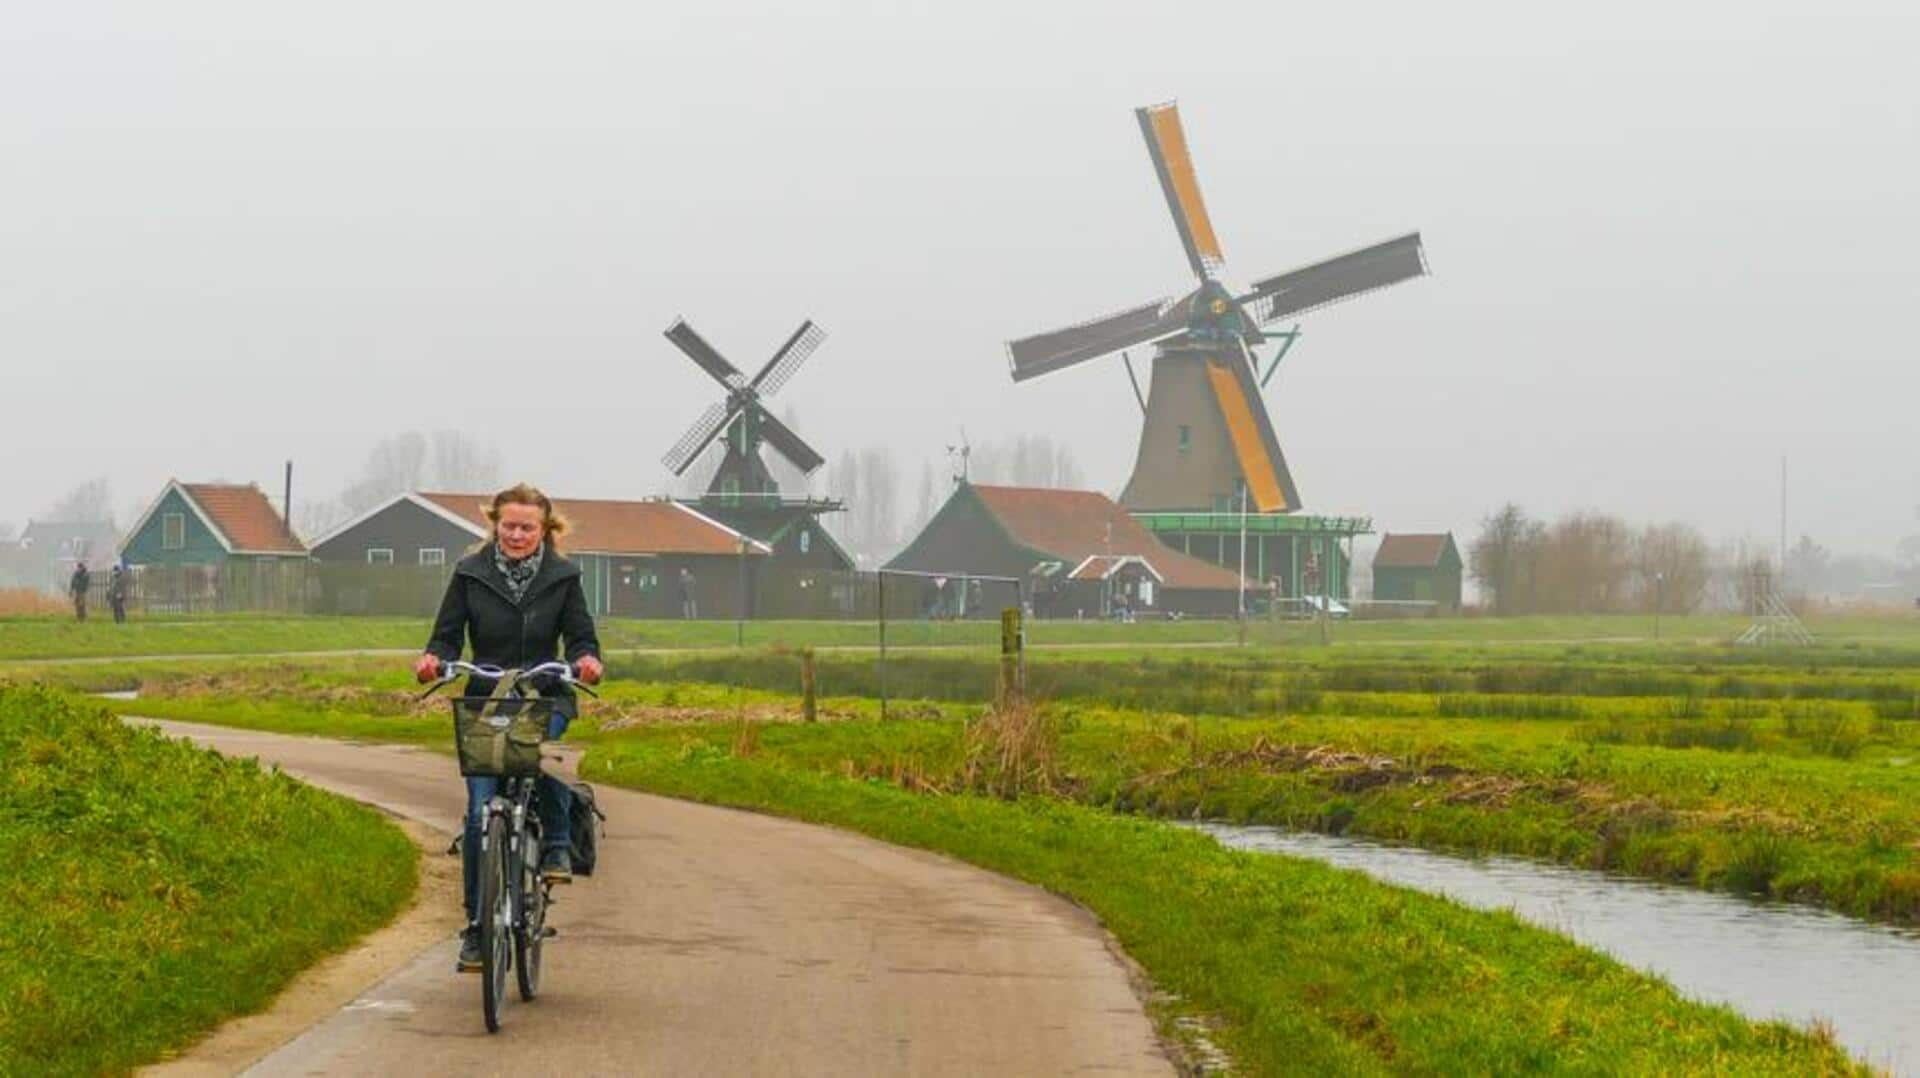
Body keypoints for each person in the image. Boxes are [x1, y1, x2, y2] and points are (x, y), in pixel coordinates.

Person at [411, 484, 604, 973]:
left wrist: (585, 662)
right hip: (487, 695)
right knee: (479, 817)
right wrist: (436, 660)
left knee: (548, 751)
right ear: (494, 524)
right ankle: (476, 930)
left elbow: (581, 637)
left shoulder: (563, 577)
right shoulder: (469, 574)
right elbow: (447, 634)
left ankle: (557, 844)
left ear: (544, 530)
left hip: (544, 691)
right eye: (510, 525)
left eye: (528, 527)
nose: (517, 535)